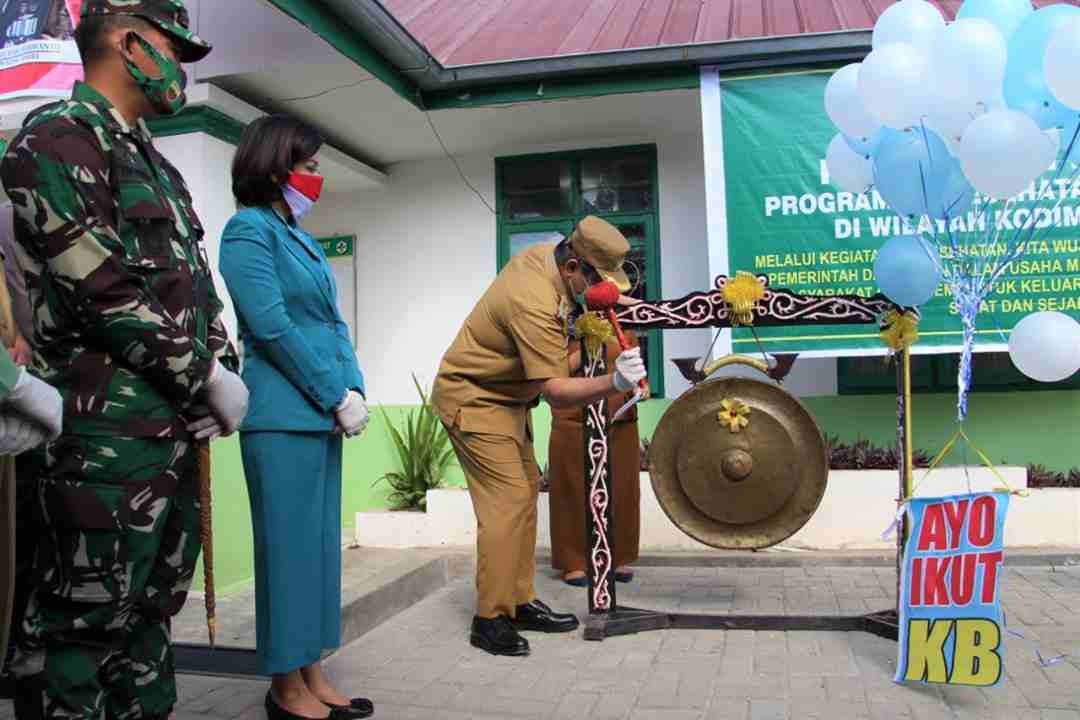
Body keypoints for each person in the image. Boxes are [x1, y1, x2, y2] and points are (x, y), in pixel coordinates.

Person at [0, 2, 247, 718]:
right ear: (127, 39)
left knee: (149, 618)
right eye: (175, 48)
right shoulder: (54, 141)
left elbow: (194, 288)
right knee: (83, 628)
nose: (178, 69)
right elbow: (99, 288)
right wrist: (203, 375)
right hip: (100, 444)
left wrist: (221, 363)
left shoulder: (154, 163)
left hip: (167, 436)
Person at [432, 215, 648, 657]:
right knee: (508, 500)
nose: (602, 290)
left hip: (507, 399)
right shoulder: (532, 297)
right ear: (573, 269)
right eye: (597, 281)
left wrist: (609, 308)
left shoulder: (552, 266)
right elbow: (556, 392)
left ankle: (518, 599)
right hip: (474, 398)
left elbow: (567, 324)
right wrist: (615, 383)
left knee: (527, 490)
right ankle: (490, 618)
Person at [217, 115, 373, 720]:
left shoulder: (298, 237)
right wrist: (334, 391)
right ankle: (284, 686)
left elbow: (331, 322)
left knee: (315, 553)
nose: (316, 177)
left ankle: (310, 667)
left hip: (319, 415)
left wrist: (353, 386)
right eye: (308, 167)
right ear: (275, 167)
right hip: (282, 416)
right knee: (285, 553)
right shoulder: (247, 232)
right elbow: (272, 325)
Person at [549, 331, 641, 586]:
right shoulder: (563, 326)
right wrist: (590, 349)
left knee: (623, 489)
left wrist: (641, 386)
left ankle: (620, 556)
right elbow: (551, 374)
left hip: (620, 416)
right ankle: (574, 562)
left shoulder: (623, 326)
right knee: (572, 488)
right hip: (574, 416)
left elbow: (636, 366)